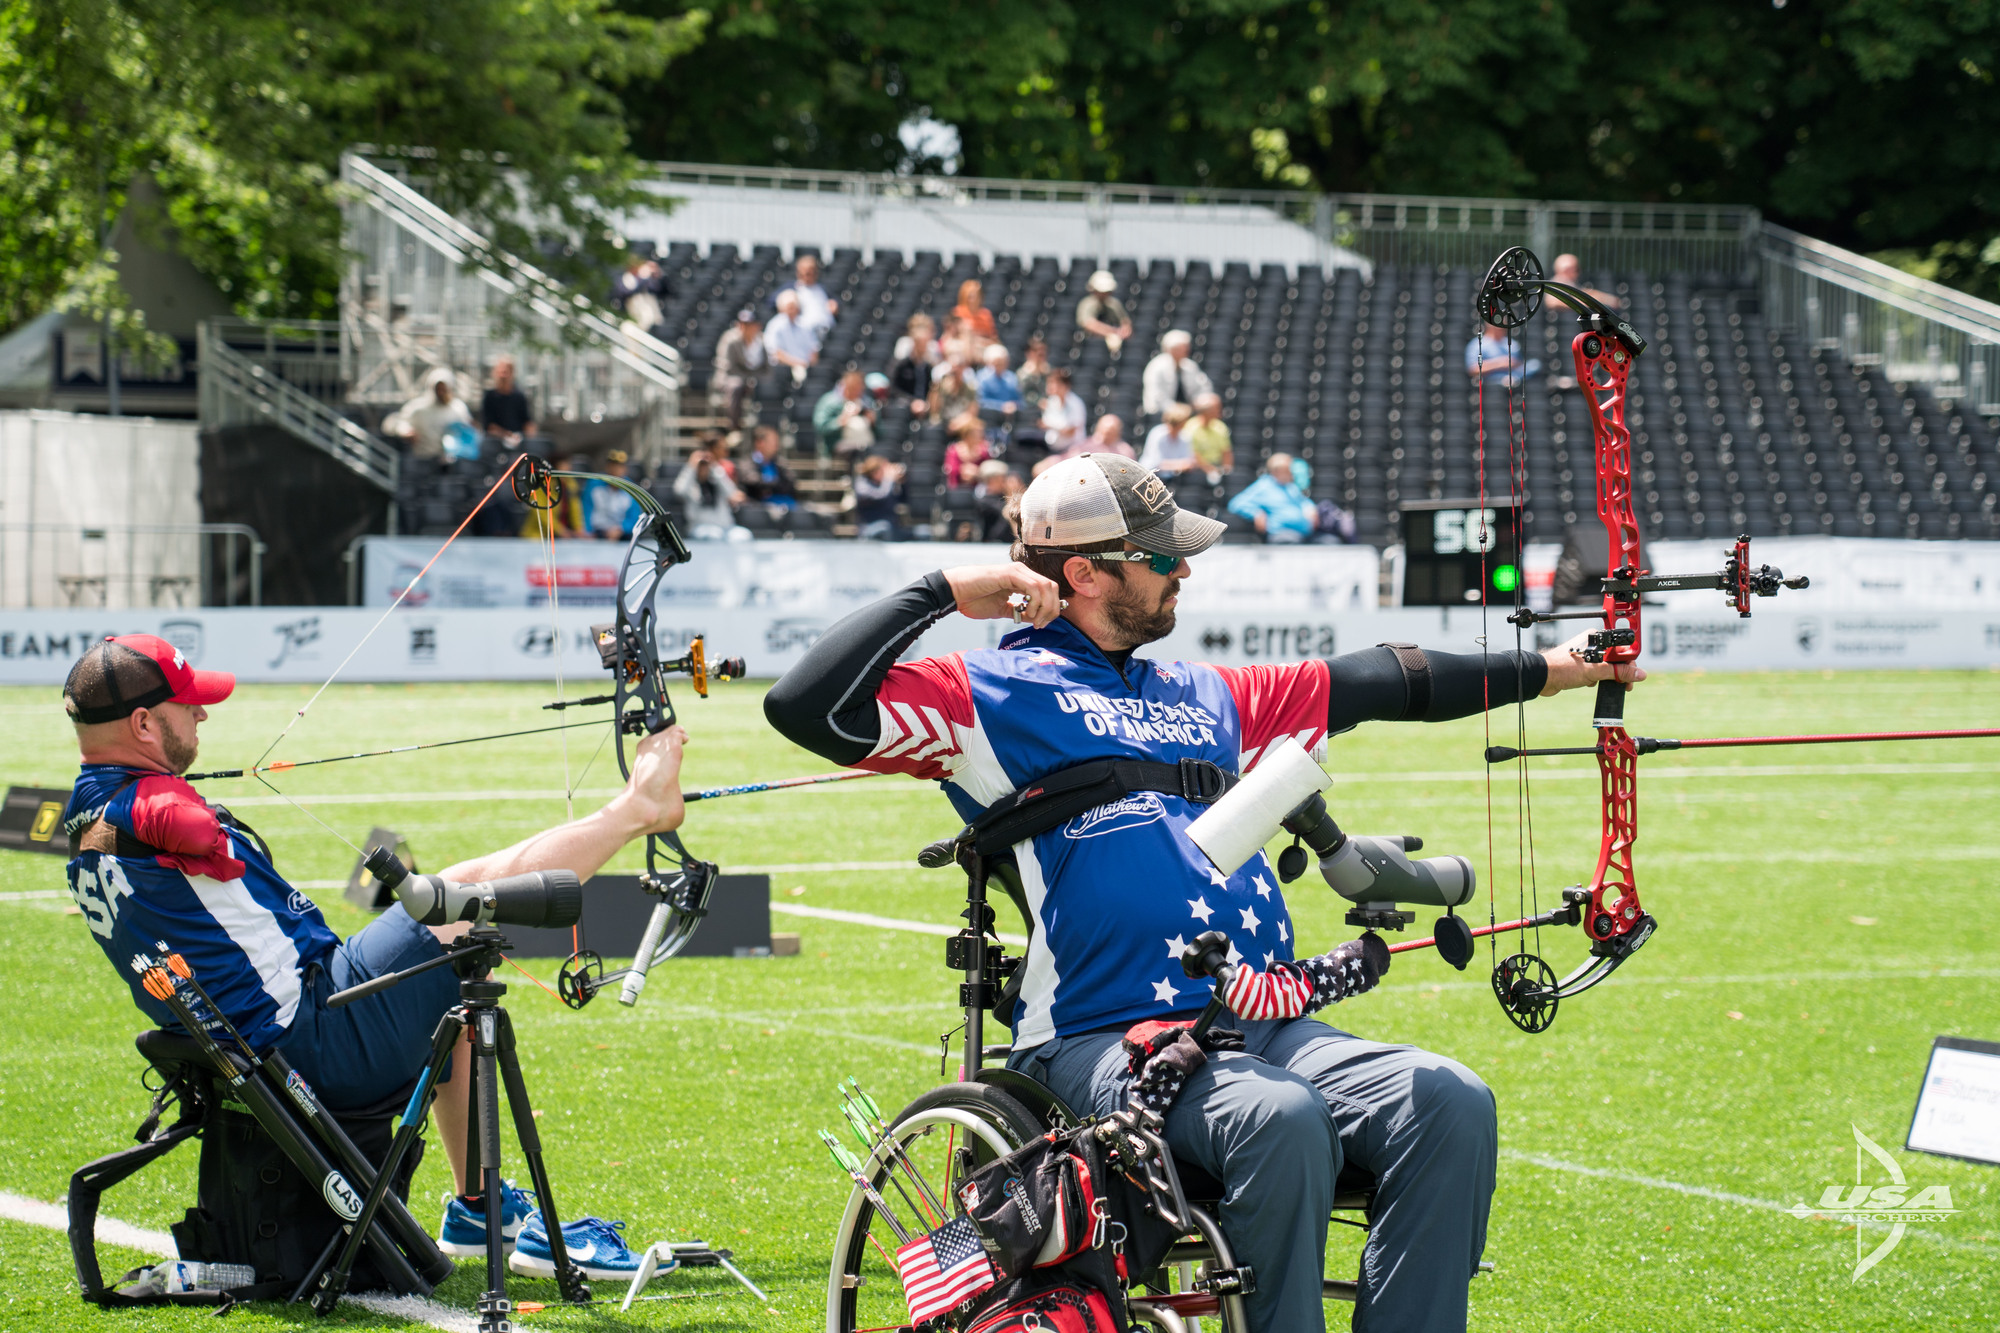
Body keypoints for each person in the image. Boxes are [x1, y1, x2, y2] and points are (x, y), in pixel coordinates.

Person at [762, 453, 1643, 1333]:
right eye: (1158, 555)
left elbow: (1385, 676)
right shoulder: (982, 696)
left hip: (1259, 1022)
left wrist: (1560, 667)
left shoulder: (1207, 692)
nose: (1183, 568)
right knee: (1279, 1117)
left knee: (1448, 1098)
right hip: (1098, 1037)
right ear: (1083, 572)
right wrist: (945, 590)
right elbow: (805, 706)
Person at [61, 634, 690, 1268]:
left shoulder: (88, 812)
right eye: (187, 705)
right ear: (142, 723)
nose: (201, 714)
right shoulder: (147, 806)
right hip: (312, 1040)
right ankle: (639, 807)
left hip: (273, 1041)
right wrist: (183, 809)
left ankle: (477, 1209)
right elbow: (179, 822)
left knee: (450, 973)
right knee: (458, 904)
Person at [1228, 452, 1318, 543]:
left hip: (1306, 533)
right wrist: (1256, 513)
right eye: (1287, 470)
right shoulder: (1263, 486)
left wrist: (1311, 509)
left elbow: (1304, 502)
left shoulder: (1291, 487)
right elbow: (1236, 503)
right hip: (1282, 534)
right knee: (1291, 541)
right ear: (1277, 471)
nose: (1291, 473)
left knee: (1328, 541)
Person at [393, 368, 474, 461]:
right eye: (438, 389)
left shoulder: (458, 408)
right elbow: (401, 422)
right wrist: (406, 432)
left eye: (444, 389)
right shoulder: (418, 408)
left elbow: (468, 431)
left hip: (450, 461)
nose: (441, 392)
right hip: (423, 457)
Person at [672, 447, 749, 540]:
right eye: (701, 466)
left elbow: (731, 492)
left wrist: (715, 465)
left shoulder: (717, 482)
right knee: (713, 535)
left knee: (744, 535)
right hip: (700, 528)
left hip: (725, 527)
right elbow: (679, 491)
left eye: (706, 465)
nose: (704, 468)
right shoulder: (690, 486)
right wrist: (691, 466)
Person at [711, 309, 767, 430]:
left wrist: (758, 378)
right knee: (736, 386)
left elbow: (766, 366)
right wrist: (748, 378)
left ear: (756, 325)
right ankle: (734, 427)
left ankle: (763, 428)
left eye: (748, 324)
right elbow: (728, 366)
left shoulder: (762, 341)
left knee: (768, 386)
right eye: (742, 323)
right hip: (729, 377)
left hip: (753, 379)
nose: (744, 327)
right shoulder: (730, 339)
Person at [1141, 330, 1213, 420]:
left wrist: (1199, 402)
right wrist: (1176, 409)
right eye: (1182, 348)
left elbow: (1204, 386)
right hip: (1161, 416)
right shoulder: (1157, 367)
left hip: (1187, 415)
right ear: (1171, 349)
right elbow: (1157, 396)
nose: (1186, 351)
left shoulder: (1190, 366)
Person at [814, 369, 877, 458]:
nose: (857, 392)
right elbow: (821, 428)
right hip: (838, 447)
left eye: (859, 388)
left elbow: (880, 433)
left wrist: (873, 422)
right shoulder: (829, 402)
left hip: (868, 446)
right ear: (845, 386)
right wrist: (841, 421)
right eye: (853, 388)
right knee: (856, 453)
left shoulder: (867, 402)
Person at [480, 356, 537, 451]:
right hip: (495, 445)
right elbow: (489, 426)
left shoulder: (519, 396)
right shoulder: (489, 396)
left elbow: (527, 422)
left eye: (506, 372)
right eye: (501, 372)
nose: (503, 376)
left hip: (518, 444)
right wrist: (507, 435)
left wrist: (529, 437)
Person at [763, 290, 820, 386]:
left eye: (794, 307)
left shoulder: (805, 324)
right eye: (789, 308)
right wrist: (798, 364)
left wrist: (808, 366)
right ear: (781, 309)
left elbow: (814, 350)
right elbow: (777, 354)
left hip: (806, 367)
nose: (792, 311)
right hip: (784, 370)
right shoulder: (774, 326)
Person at [851, 452, 911, 541]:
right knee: (885, 527)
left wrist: (902, 482)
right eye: (883, 470)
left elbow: (904, 500)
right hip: (869, 528)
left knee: (923, 532)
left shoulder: (886, 485)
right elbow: (881, 497)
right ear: (874, 472)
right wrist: (888, 480)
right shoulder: (862, 484)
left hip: (892, 527)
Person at [583, 450, 640, 540]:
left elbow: (634, 516)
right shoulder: (593, 485)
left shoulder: (631, 489)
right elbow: (585, 509)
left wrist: (621, 529)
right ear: (607, 467)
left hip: (622, 535)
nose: (616, 470)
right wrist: (588, 532)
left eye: (619, 467)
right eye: (613, 466)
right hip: (596, 534)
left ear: (625, 469)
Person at [778, 252, 839, 337]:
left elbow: (835, 302)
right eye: (804, 274)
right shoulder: (792, 288)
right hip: (805, 334)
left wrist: (835, 305)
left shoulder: (822, 288)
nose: (806, 277)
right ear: (798, 273)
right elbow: (774, 301)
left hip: (827, 331)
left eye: (810, 274)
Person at [890, 315, 941, 415]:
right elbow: (894, 388)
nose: (922, 346)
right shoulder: (902, 365)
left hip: (926, 406)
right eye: (919, 343)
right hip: (905, 406)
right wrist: (911, 401)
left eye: (924, 343)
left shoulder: (929, 367)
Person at [739, 424, 798, 508]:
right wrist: (775, 485)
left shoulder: (780, 463)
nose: (776, 446)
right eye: (773, 441)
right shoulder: (747, 463)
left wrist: (769, 487)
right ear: (760, 442)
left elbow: (790, 481)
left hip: (785, 506)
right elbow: (753, 482)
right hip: (758, 508)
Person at [1076, 269, 1133, 354]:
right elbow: (1088, 324)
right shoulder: (1087, 304)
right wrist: (1113, 332)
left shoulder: (1114, 304)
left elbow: (1125, 322)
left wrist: (1124, 331)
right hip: (1090, 347)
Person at [612, 254, 669, 337]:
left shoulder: (645, 279)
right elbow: (626, 292)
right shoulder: (626, 278)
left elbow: (657, 289)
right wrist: (643, 278)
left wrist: (655, 275)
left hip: (648, 307)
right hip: (632, 311)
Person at [1546, 253, 1621, 311]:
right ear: (1566, 270)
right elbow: (1552, 303)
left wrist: (1609, 299)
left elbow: (1587, 293)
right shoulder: (1556, 284)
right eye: (1576, 269)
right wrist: (1581, 304)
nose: (1578, 272)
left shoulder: (1571, 283)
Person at [1138, 402, 1199, 474]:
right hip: (1151, 474)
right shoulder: (1157, 433)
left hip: (1176, 477)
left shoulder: (1185, 436)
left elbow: (1189, 462)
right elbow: (1156, 463)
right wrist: (1180, 465)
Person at [1038, 368, 1088, 454]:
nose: (1050, 386)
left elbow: (1070, 432)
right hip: (1052, 450)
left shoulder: (1076, 404)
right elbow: (1043, 424)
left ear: (1065, 385)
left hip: (1073, 451)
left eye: (1053, 383)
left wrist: (1050, 425)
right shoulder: (1051, 401)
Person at [1186, 392, 1234, 479]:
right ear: (1207, 411)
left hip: (1217, 468)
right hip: (1197, 471)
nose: (1220, 411)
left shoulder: (1220, 427)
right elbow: (1193, 454)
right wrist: (1210, 470)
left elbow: (1226, 452)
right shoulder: (1190, 427)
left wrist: (1225, 471)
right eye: (1217, 408)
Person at [971, 459, 1017, 542]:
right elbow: (1005, 513)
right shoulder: (983, 501)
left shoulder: (1002, 496)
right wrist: (1011, 495)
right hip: (992, 544)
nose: (1005, 482)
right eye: (1002, 479)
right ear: (992, 480)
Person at [974, 343, 1024, 419]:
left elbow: (1019, 400)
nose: (1000, 366)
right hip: (990, 418)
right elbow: (980, 401)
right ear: (988, 362)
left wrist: (1014, 405)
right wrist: (1001, 407)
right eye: (996, 364)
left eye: (1003, 363)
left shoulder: (1012, 378)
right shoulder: (981, 378)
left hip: (1011, 417)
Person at [928, 361, 979, 426]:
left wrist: (956, 424)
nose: (955, 372)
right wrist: (936, 388)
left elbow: (971, 413)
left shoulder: (970, 389)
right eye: (953, 371)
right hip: (943, 423)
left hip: (962, 425)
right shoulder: (942, 387)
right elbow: (934, 409)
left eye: (958, 369)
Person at [944, 417, 990, 489]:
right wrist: (963, 470)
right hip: (956, 489)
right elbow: (951, 470)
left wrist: (976, 472)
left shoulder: (984, 452)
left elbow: (988, 472)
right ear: (968, 434)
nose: (981, 436)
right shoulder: (953, 450)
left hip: (977, 491)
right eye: (977, 433)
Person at [1016, 335, 1051, 405]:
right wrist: (1038, 401)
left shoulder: (1049, 371)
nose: (1041, 353)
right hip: (1029, 409)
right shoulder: (1022, 372)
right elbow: (1022, 393)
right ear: (1029, 353)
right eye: (1037, 351)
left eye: (1043, 351)